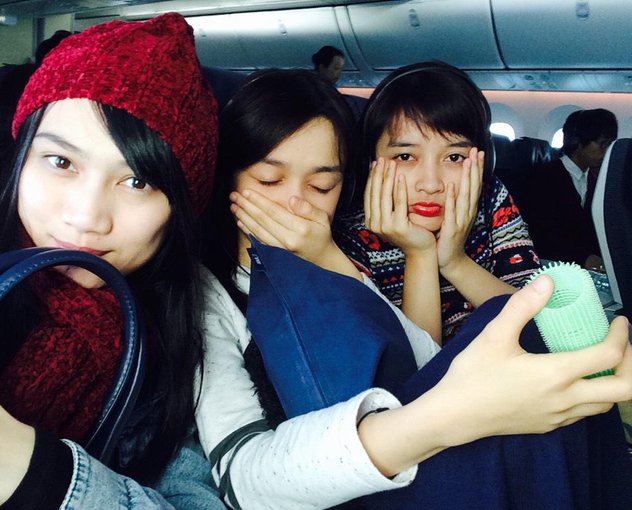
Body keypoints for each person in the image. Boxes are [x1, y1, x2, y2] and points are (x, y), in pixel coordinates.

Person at [197, 68, 632, 509]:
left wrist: (442, 258)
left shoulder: (484, 202)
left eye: (321, 185)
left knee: (540, 350)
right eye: (268, 181)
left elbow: (421, 358)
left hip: (432, 423)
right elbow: (411, 381)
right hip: (391, 456)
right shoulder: (215, 291)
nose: (296, 204)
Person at [0, 14, 226, 509]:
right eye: (61, 162)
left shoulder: (172, 342)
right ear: (21, 158)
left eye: (137, 181)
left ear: (178, 210)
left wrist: (40, 477)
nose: (86, 218)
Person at [334, 61, 540, 344]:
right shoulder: (350, 231)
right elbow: (419, 363)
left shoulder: (489, 198)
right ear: (370, 162)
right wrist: (420, 254)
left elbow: (541, 326)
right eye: (405, 157)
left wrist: (455, 261)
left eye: (454, 157)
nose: (431, 184)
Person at [524, 108, 618, 268]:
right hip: (554, 265)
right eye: (602, 144)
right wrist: (583, 258)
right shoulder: (545, 178)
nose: (606, 151)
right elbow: (542, 234)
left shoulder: (594, 180)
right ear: (578, 143)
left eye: (609, 145)